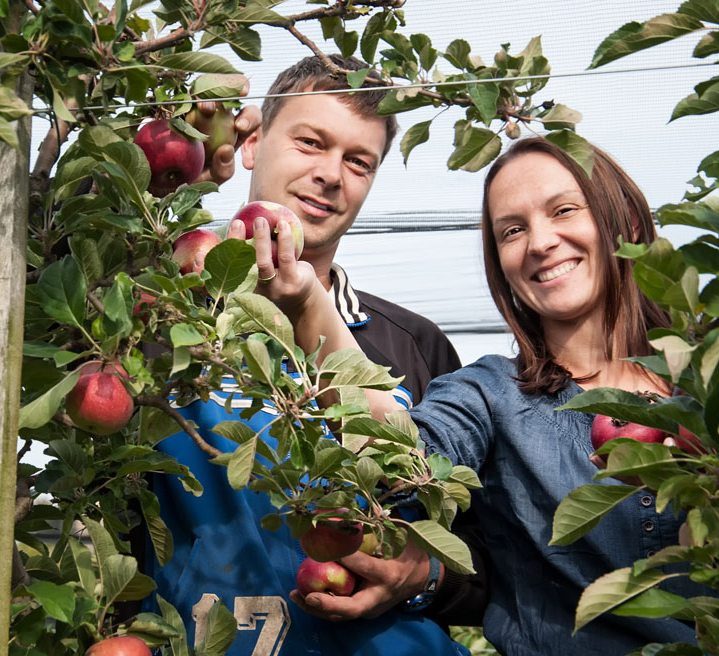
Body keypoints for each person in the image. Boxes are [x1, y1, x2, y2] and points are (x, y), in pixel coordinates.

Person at [254, 136, 719, 655]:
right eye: (512, 231)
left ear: (627, 222)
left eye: (564, 210)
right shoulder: (492, 394)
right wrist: (310, 305)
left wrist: (714, 500)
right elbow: (394, 452)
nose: (540, 243)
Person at [143, 55, 487, 656]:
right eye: (310, 142)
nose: (331, 174)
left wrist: (426, 573)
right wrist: (159, 169)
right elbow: (13, 275)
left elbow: (490, 559)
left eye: (359, 161)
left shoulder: (411, 342)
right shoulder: (158, 315)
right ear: (251, 144)